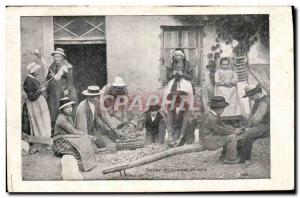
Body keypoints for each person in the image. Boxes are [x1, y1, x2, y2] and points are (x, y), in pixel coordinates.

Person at [74, 85, 124, 152]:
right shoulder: (81, 108)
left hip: (92, 131)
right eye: (92, 96)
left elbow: (106, 117)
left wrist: (116, 130)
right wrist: (92, 139)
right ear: (87, 96)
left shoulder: (98, 103)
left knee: (103, 144)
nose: (95, 98)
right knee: (92, 149)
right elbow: (82, 129)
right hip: (82, 134)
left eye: (97, 96)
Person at [53, 97, 97, 172]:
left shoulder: (68, 117)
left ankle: (88, 163)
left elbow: (73, 132)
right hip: (60, 141)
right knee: (81, 143)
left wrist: (85, 136)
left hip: (67, 138)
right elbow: (73, 131)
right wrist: (87, 135)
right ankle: (83, 165)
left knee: (83, 141)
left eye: (70, 107)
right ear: (62, 109)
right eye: (67, 107)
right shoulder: (61, 119)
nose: (70, 109)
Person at [199, 96, 240, 162]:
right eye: (223, 109)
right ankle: (230, 159)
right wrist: (234, 132)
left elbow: (223, 126)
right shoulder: (211, 118)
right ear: (219, 109)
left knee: (229, 136)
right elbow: (220, 130)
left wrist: (233, 129)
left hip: (207, 137)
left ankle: (224, 156)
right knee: (232, 137)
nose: (223, 111)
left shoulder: (212, 115)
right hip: (208, 140)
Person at [235, 84, 270, 163]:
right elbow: (252, 117)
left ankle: (245, 159)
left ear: (256, 93)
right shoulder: (258, 101)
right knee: (241, 132)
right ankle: (237, 154)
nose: (250, 98)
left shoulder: (263, 102)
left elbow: (256, 119)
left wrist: (249, 127)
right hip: (262, 125)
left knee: (248, 134)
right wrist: (245, 126)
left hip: (266, 125)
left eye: (250, 96)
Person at [45, 48, 78, 130]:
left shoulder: (67, 66)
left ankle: (67, 127)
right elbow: (48, 77)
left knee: (65, 108)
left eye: (58, 57)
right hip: (55, 92)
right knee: (53, 108)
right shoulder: (53, 65)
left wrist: (67, 90)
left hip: (64, 91)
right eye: (55, 56)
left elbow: (70, 81)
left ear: (62, 57)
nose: (56, 59)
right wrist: (51, 76)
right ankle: (55, 126)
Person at [22, 62, 51, 146]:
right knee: (38, 120)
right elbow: (31, 97)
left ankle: (44, 138)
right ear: (33, 71)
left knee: (42, 120)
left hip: (38, 104)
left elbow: (34, 91)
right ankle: (41, 139)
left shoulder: (32, 79)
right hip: (35, 105)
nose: (38, 72)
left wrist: (40, 88)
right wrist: (40, 90)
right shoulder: (29, 80)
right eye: (37, 71)